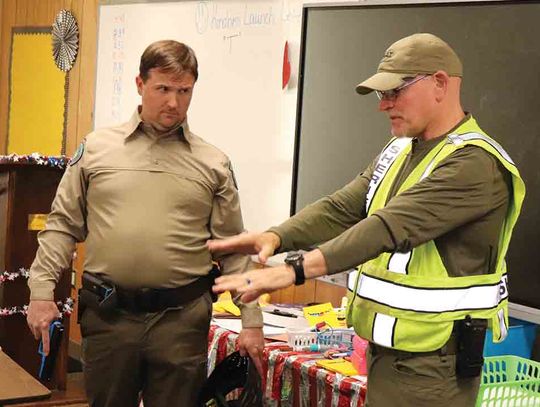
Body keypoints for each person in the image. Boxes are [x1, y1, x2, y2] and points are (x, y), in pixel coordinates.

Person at [209, 33, 525, 406]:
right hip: (384, 356)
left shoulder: (474, 164)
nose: (384, 105)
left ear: (440, 83)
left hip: (434, 367)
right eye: (381, 94)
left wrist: (293, 270)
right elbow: (342, 208)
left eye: (395, 91)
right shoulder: (400, 149)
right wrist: (276, 237)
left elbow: (389, 227)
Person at [26, 40, 264, 407]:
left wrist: (251, 319)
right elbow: (62, 225)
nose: (173, 102)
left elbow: (233, 247)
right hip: (110, 317)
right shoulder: (96, 149)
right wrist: (41, 293)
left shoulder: (213, 162)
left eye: (184, 91)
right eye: (163, 89)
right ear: (140, 84)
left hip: (181, 322)